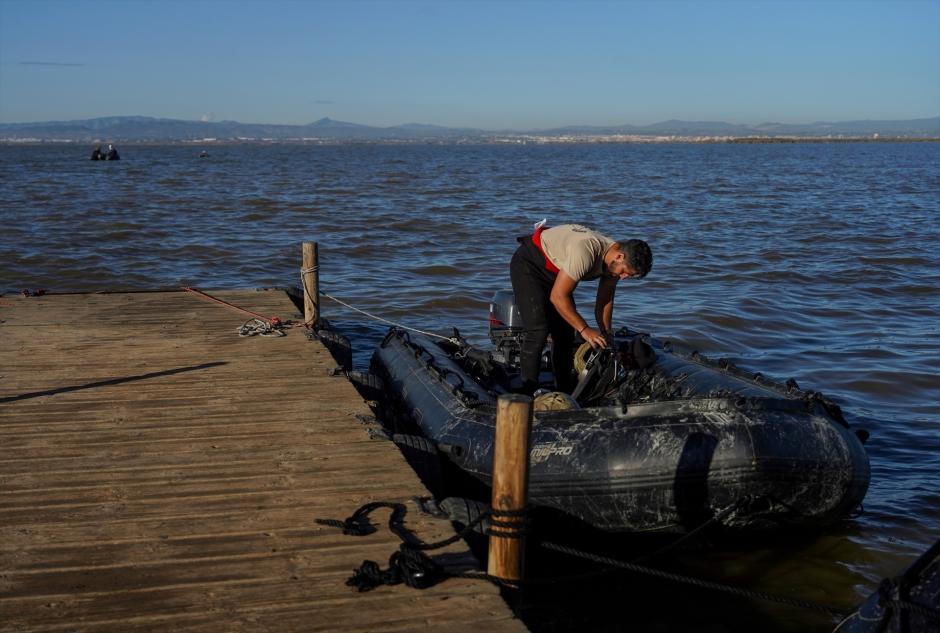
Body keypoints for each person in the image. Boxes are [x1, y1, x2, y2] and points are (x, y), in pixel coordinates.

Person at [509, 222, 652, 395]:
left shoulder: (613, 262)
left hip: (557, 272)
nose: (622, 278)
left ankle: (563, 390)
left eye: (628, 276)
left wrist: (606, 332)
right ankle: (527, 392)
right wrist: (585, 329)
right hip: (530, 265)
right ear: (620, 256)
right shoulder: (586, 251)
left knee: (565, 334)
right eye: (624, 272)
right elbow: (558, 296)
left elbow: (605, 300)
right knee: (539, 329)